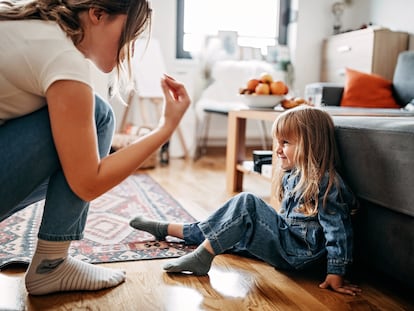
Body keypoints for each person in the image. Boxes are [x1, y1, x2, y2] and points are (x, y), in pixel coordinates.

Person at [0, 0, 190, 296]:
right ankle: (51, 265)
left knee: (78, 133)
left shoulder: (30, 25)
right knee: (99, 115)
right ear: (97, 15)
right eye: (127, 34)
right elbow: (88, 183)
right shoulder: (61, 56)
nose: (128, 47)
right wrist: (165, 128)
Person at [130, 106, 362, 296]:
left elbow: (338, 230)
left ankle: (203, 257)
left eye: (286, 143)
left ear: (310, 144)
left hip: (299, 254)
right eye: (277, 142)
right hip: (288, 243)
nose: (278, 150)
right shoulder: (293, 174)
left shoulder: (325, 183)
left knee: (246, 203)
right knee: (228, 227)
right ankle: (167, 229)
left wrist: (336, 271)